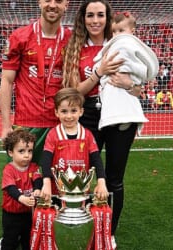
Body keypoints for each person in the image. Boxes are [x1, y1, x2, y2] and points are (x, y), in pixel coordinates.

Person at [61, 2, 152, 248]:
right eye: (90, 15)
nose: (95, 20)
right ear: (83, 18)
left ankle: (108, 232)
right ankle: (80, 220)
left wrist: (127, 85)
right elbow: (72, 93)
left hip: (118, 114)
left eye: (100, 15)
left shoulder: (122, 42)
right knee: (80, 173)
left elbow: (140, 87)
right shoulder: (74, 48)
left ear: (107, 18)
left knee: (114, 179)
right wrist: (97, 73)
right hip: (87, 114)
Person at [0, 0, 71, 164]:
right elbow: (7, 80)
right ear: (39, 2)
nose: (52, 5)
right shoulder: (20, 36)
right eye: (47, 0)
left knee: (57, 183)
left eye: (59, 1)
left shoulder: (71, 39)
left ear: (66, 4)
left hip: (59, 121)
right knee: (23, 183)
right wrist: (5, 125)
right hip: (26, 123)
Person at [40, 87, 109, 202]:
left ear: (81, 111)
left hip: (81, 191)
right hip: (56, 191)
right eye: (64, 111)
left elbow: (96, 159)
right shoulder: (53, 134)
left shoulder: (87, 135)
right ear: (56, 112)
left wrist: (101, 182)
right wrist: (46, 183)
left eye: (73, 111)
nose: (69, 116)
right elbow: (46, 160)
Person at [93, 11, 158, 131]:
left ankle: (127, 118)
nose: (117, 35)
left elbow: (139, 60)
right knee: (111, 95)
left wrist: (127, 72)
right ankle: (112, 118)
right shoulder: (112, 44)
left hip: (127, 78)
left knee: (124, 97)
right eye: (114, 31)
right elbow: (102, 60)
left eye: (121, 31)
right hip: (111, 80)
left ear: (132, 31)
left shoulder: (130, 43)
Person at [0, 129, 42, 250]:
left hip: (28, 214)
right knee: (10, 240)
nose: (27, 155)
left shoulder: (33, 167)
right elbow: (10, 188)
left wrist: (38, 189)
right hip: (11, 215)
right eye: (21, 151)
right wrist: (21, 198)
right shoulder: (9, 169)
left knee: (28, 240)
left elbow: (38, 179)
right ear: (10, 152)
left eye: (30, 151)